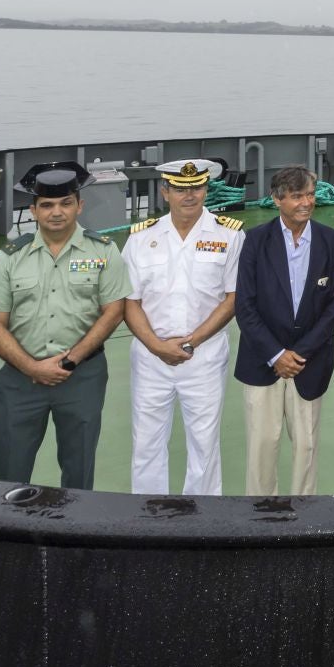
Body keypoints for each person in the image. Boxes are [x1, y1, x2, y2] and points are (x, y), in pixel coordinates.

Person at [0, 161, 129, 489]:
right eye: (46, 205)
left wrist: (69, 360)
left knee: (79, 470)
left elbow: (113, 312)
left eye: (65, 203)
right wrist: (33, 368)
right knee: (7, 471)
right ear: (33, 210)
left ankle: (72, 536)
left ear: (80, 206)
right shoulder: (9, 257)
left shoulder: (104, 252)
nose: (56, 212)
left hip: (82, 378)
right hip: (20, 380)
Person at [121, 157, 245, 496]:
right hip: (150, 358)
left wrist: (193, 340)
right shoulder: (140, 239)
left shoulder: (230, 235)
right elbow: (129, 301)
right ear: (164, 192)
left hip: (203, 357)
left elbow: (233, 297)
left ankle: (202, 523)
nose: (189, 195)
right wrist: (157, 346)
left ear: (206, 189)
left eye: (197, 187)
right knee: (146, 444)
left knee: (205, 445)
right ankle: (147, 519)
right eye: (180, 189)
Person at [234, 165, 334, 495]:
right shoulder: (254, 242)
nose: (306, 202)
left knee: (306, 448)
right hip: (262, 362)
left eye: (310, 195)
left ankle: (305, 518)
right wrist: (275, 354)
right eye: (297, 196)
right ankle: (260, 517)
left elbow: (333, 310)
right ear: (277, 199)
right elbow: (245, 306)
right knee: (261, 449)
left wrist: (298, 354)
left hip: (309, 364)